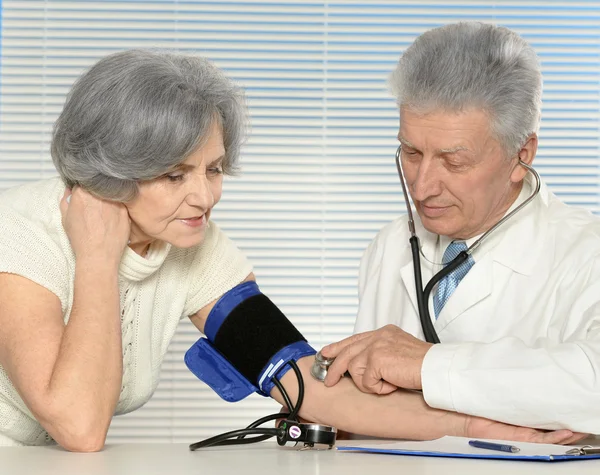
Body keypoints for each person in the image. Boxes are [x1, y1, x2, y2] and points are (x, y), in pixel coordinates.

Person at [0, 49, 584, 451]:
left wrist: (485, 428)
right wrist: (98, 259)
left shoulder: (194, 247)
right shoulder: (24, 233)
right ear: (110, 172)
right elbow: (78, 425)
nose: (205, 195)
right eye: (175, 176)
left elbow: (304, 383)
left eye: (214, 168)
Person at [321, 22, 600, 435]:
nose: (421, 185)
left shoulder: (585, 251)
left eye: (454, 161)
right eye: (411, 152)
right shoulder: (391, 245)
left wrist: (424, 364)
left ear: (520, 155)